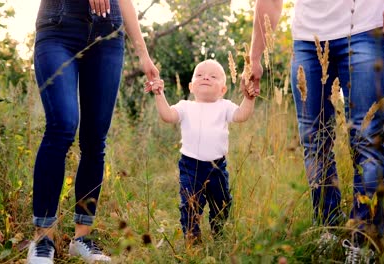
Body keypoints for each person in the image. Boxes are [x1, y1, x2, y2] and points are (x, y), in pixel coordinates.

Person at [248, 0, 384, 260]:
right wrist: (255, 57)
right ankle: (329, 228)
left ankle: (364, 241)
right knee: (314, 143)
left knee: (366, 140)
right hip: (306, 39)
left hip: (365, 29)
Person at [27, 0, 159, 263]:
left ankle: (82, 238)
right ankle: (43, 239)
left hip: (108, 33)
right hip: (58, 25)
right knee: (62, 125)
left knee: (95, 138)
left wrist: (143, 54)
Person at [145, 59, 257, 244]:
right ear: (191, 86)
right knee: (190, 205)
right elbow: (168, 116)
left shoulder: (225, 106)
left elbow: (241, 115)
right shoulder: (185, 106)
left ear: (223, 89)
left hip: (217, 167)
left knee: (221, 203)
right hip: (190, 166)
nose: (206, 77)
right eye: (199, 75)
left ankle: (219, 233)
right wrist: (159, 94)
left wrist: (249, 98)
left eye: (213, 76)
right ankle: (193, 240)